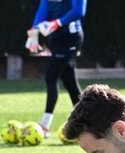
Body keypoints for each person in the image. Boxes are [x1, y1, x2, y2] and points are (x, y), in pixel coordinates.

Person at [25, 0, 87, 137]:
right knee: (70, 83)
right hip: (56, 40)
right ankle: (87, 125)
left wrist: (57, 23)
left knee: (51, 77)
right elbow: (43, 9)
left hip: (70, 38)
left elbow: (78, 11)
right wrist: (34, 30)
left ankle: (45, 126)